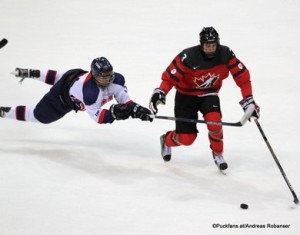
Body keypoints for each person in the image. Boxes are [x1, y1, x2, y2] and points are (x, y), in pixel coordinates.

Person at [149, 27, 260, 171]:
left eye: (213, 45)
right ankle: (167, 140)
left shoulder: (226, 54)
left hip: (209, 94)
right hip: (186, 97)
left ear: (218, 44)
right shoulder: (188, 56)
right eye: (207, 46)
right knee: (187, 139)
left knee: (215, 123)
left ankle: (218, 154)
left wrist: (248, 99)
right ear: (201, 44)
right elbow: (170, 77)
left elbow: (242, 77)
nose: (210, 49)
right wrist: (161, 92)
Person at [0, 57, 153, 125]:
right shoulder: (90, 93)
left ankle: (29, 72)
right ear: (94, 75)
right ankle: (4, 112)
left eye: (109, 76)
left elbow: (124, 99)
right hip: (61, 98)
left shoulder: (117, 80)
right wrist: (113, 114)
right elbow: (98, 117)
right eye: (103, 77)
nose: (107, 80)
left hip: (73, 77)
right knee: (39, 117)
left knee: (61, 77)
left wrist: (136, 109)